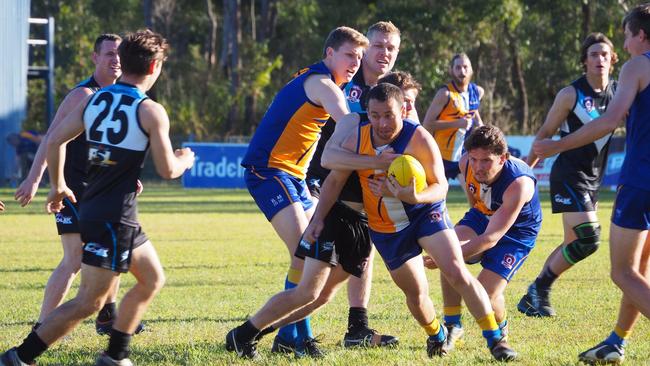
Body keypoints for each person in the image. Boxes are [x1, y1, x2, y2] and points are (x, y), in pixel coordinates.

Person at [1, 29, 195, 366]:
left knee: (151, 278)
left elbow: (54, 139)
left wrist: (57, 183)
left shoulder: (94, 99)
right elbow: (167, 170)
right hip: (112, 216)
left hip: (105, 211)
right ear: (153, 68)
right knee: (89, 301)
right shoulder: (150, 110)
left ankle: (115, 355)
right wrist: (185, 159)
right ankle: (19, 356)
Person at [323, 83, 516, 361]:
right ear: (367, 113)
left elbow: (440, 187)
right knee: (416, 293)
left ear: (403, 109)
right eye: (375, 115)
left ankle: (496, 340)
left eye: (388, 114)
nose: (382, 123)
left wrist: (412, 195)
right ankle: (436, 334)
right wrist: (375, 162)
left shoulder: (418, 138)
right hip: (387, 227)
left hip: (425, 213)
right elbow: (329, 158)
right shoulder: (357, 136)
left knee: (456, 271)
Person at [228, 26, 368, 358]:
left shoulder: (325, 81)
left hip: (294, 179)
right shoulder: (321, 84)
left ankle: (288, 337)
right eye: (350, 55)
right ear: (330, 53)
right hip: (269, 171)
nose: (355, 63)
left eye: (358, 58)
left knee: (311, 258)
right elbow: (347, 122)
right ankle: (296, 339)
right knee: (306, 256)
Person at [532, 4, 650, 364]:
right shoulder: (574, 92)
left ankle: (540, 287)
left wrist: (557, 146)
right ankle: (617, 341)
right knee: (640, 272)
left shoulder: (637, 66)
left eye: (626, 36)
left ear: (640, 35)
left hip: (641, 181)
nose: (624, 44)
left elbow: (608, 121)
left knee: (622, 271)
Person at [13, 34, 141, 335]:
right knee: (73, 259)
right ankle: (42, 326)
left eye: (119, 54)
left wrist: (127, 176)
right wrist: (33, 179)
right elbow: (51, 138)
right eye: (109, 54)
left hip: (102, 190)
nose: (116, 60)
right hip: (71, 189)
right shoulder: (83, 95)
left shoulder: (121, 96)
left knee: (113, 248)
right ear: (94, 58)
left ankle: (107, 317)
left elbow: (112, 146)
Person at [303, 21, 400, 350]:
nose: (384, 53)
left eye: (391, 48)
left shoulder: (390, 91)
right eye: (378, 46)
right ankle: (293, 331)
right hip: (329, 178)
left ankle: (357, 327)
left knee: (363, 252)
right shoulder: (344, 84)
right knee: (318, 263)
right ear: (364, 50)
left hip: (362, 181)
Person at [517, 33, 618, 318]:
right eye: (594, 54)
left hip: (593, 178)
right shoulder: (570, 94)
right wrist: (525, 172)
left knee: (573, 243)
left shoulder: (620, 93)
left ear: (613, 59)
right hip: (569, 175)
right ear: (584, 61)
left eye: (605, 54)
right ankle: (540, 289)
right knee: (589, 238)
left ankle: (534, 294)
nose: (600, 59)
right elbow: (544, 136)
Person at [424, 125, 541, 356]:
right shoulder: (465, 162)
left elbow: (492, 237)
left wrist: (451, 255)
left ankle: (502, 331)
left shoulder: (518, 183)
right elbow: (474, 196)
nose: (478, 167)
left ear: (503, 158)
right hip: (482, 214)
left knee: (486, 293)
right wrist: (453, 251)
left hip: (516, 233)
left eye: (486, 161)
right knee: (448, 246)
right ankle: (453, 325)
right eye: (475, 159)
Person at [422, 53, 484, 182]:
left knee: (475, 195)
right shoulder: (445, 93)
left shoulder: (477, 91)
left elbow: (473, 110)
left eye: (465, 67)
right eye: (458, 67)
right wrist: (457, 123)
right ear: (451, 70)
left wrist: (481, 126)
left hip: (463, 154)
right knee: (436, 198)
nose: (462, 71)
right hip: (440, 154)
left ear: (471, 69)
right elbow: (427, 124)